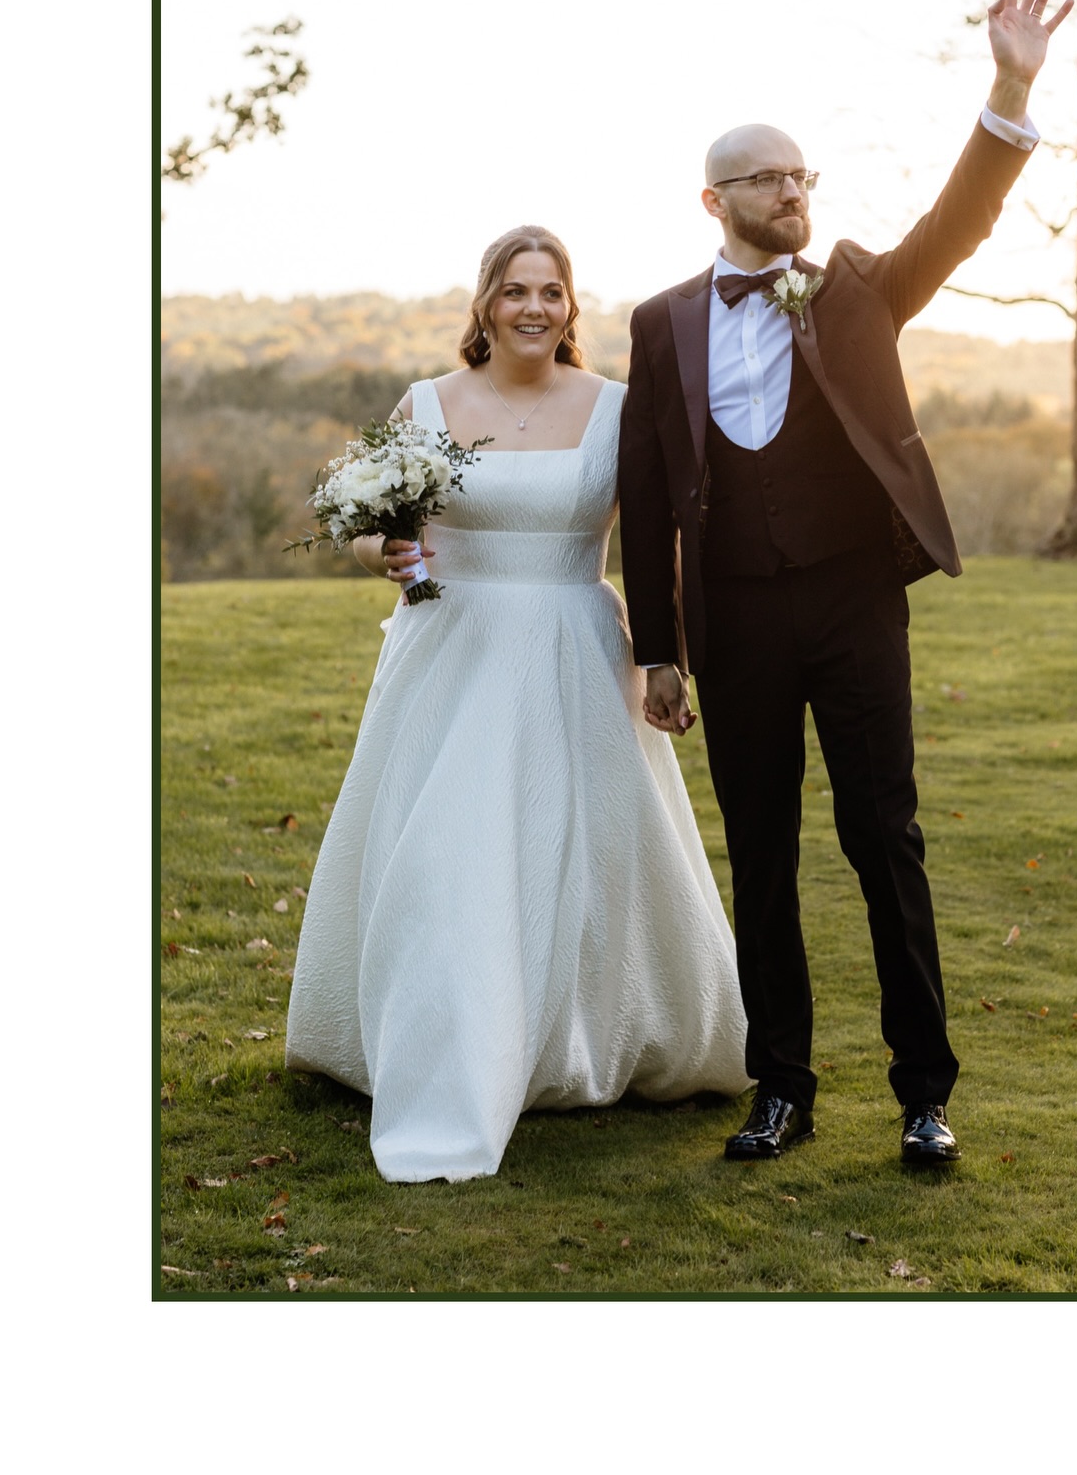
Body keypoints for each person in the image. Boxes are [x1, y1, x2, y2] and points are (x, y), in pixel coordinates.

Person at [618, 0, 1072, 1165]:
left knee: (885, 837)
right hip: (738, 621)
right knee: (762, 851)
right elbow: (650, 490)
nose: (792, 191)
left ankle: (923, 1093)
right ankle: (783, 1090)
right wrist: (658, 650)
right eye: (768, 177)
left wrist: (1008, 86)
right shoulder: (662, 322)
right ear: (712, 198)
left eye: (801, 175)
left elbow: (957, 224)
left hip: (854, 602)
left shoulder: (858, 287)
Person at [285, 226, 749, 1183]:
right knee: (453, 854)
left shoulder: (619, 408)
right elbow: (371, 533)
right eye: (515, 291)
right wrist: (389, 555)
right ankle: (446, 1047)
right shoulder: (428, 403)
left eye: (551, 292)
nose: (534, 308)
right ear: (485, 304)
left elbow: (658, 541)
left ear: (569, 308)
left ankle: (572, 1037)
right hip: (452, 656)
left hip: (577, 648)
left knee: (572, 849)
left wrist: (668, 663)